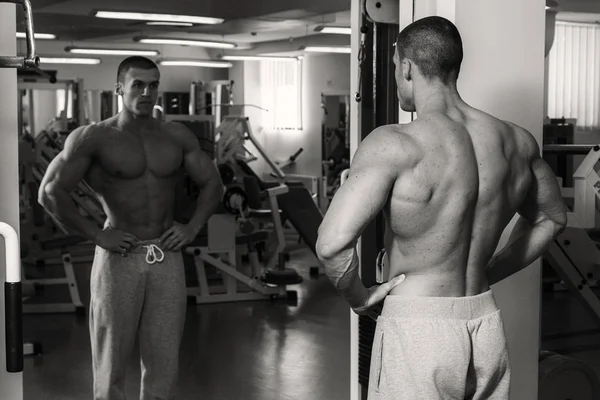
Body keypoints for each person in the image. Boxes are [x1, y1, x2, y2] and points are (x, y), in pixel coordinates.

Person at [316, 16, 567, 400]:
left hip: (418, 329)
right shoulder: (516, 141)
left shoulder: (394, 142)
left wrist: (360, 298)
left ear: (405, 66)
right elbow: (552, 218)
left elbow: (332, 244)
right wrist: (488, 271)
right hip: (484, 323)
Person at [38, 56, 223, 400]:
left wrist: (192, 227)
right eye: (137, 84)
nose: (146, 92)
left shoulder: (175, 135)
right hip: (119, 256)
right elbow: (50, 192)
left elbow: (213, 183)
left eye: (153, 85)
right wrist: (97, 234)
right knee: (111, 361)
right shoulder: (93, 138)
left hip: (166, 257)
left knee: (164, 360)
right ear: (120, 88)